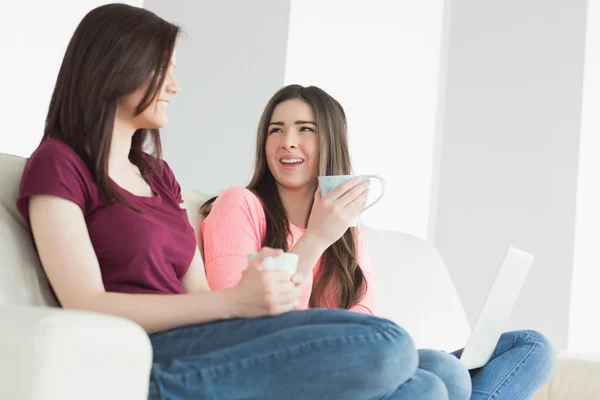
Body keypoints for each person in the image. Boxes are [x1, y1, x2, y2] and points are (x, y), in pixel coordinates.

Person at [16, 4, 473, 400]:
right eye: (165, 68)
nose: (174, 86)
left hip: (205, 337)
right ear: (116, 67)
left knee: (434, 382)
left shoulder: (158, 175)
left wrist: (244, 301)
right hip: (150, 349)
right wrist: (235, 302)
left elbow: (196, 292)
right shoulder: (58, 163)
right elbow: (86, 301)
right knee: (389, 348)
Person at [200, 84, 556, 400]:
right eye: (276, 130)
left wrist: (333, 234)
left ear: (330, 142)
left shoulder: (349, 232)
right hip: (289, 371)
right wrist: (318, 238)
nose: (287, 141)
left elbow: (363, 323)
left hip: (353, 366)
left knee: (533, 348)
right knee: (442, 373)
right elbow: (241, 321)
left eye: (304, 129)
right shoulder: (240, 204)